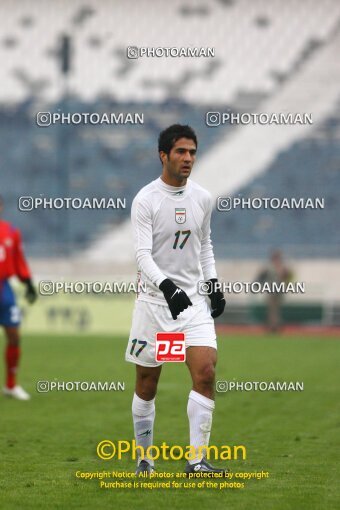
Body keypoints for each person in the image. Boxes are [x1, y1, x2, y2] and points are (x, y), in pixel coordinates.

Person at [125, 124, 226, 475]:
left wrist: (212, 284)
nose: (188, 159)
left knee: (206, 372)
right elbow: (142, 255)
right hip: (156, 306)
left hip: (193, 305)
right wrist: (168, 287)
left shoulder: (202, 198)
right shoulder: (146, 200)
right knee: (147, 384)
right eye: (181, 152)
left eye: (193, 152)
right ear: (163, 155)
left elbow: (206, 245)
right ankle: (145, 459)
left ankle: (197, 460)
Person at [0, 196, 37, 400]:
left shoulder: (11, 232)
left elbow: (18, 260)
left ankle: (11, 385)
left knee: (14, 336)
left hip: (4, 290)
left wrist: (28, 283)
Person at [257, 250, 293, 332]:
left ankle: (276, 326)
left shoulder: (282, 267)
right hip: (271, 291)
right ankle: (272, 327)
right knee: (271, 310)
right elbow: (261, 277)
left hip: (279, 291)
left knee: (276, 310)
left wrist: (285, 275)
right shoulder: (268, 267)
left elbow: (287, 277)